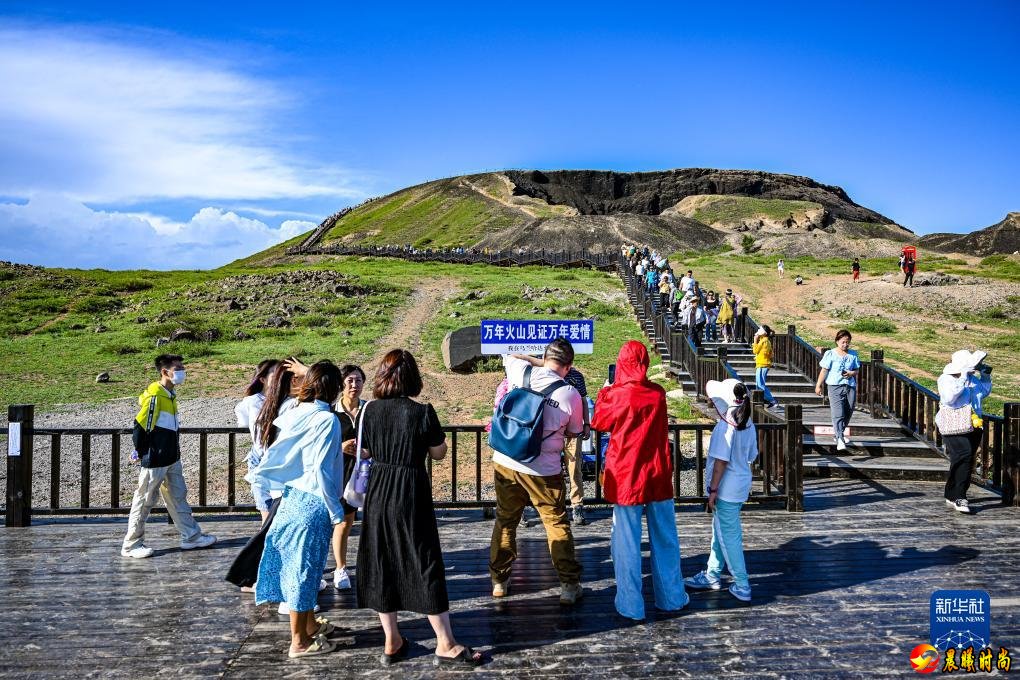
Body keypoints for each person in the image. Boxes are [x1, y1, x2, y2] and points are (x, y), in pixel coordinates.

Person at [356, 349, 483, 667]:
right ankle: (445, 642)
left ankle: (392, 641)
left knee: (382, 560)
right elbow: (438, 452)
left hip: (378, 492)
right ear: (413, 377)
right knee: (424, 561)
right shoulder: (422, 411)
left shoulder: (368, 411)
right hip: (410, 491)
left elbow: (367, 451)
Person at [254, 361, 345, 659]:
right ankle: (299, 642)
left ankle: (308, 626)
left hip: (292, 496)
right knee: (304, 571)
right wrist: (335, 508)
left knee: (303, 565)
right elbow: (322, 468)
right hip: (314, 501)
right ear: (335, 389)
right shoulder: (326, 420)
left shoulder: (294, 410)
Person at [592, 341, 689, 621]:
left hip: (626, 476)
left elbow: (599, 422)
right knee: (666, 539)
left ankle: (631, 604)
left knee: (626, 542)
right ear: (645, 362)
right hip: (657, 473)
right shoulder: (658, 394)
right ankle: (671, 597)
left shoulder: (616, 395)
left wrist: (605, 390)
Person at [490, 339, 585, 605]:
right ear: (568, 366)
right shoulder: (570, 394)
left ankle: (499, 581)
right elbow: (575, 431)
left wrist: (537, 361)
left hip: (507, 461)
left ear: (544, 357)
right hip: (544, 469)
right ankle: (568, 585)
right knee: (555, 523)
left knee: (506, 521)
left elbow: (511, 353)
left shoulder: (520, 371)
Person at [121, 354, 216, 559]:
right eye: (178, 368)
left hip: (171, 457)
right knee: (145, 499)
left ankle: (191, 537)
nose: (182, 371)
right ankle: (131, 544)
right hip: (155, 458)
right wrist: (140, 451)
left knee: (177, 496)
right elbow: (140, 427)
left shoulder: (170, 395)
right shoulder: (155, 396)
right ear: (165, 372)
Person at [685, 379, 757, 602]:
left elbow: (720, 463)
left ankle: (742, 584)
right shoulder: (748, 421)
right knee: (722, 530)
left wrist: (712, 490)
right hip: (741, 483)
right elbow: (752, 455)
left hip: (726, 488)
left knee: (729, 537)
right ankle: (712, 573)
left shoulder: (727, 424)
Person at [937, 350, 992, 514]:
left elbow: (983, 393)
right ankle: (960, 497)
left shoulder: (972, 379)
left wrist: (985, 377)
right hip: (953, 424)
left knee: (963, 460)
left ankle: (951, 493)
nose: (975, 366)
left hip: (974, 424)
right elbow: (949, 398)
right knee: (965, 455)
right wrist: (962, 377)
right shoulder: (946, 378)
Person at [331, 364, 367, 590]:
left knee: (366, 520)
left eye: (359, 380)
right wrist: (340, 446)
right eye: (350, 381)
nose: (354, 385)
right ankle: (340, 568)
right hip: (340, 471)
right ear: (342, 385)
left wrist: (367, 451)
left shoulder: (369, 409)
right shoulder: (331, 412)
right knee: (343, 521)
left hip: (365, 471)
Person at [235, 359, 279, 523]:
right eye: (276, 374)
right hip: (260, 458)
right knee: (265, 508)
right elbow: (244, 421)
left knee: (281, 508)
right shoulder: (251, 401)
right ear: (262, 379)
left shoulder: (288, 400)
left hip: (281, 459)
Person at [814, 330, 860, 451]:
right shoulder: (830, 354)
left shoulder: (853, 354)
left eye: (847, 342)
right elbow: (824, 370)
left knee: (848, 410)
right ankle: (840, 438)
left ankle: (838, 433)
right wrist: (818, 385)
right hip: (834, 386)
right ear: (837, 341)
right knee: (838, 413)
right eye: (843, 342)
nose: (845, 344)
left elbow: (856, 370)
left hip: (850, 386)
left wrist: (851, 373)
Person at [752, 326, 778, 409]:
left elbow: (755, 351)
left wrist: (755, 340)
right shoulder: (764, 341)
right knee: (758, 384)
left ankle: (772, 401)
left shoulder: (764, 341)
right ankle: (762, 400)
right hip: (761, 364)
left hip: (763, 364)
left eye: (760, 330)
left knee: (760, 385)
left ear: (764, 333)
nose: (758, 331)